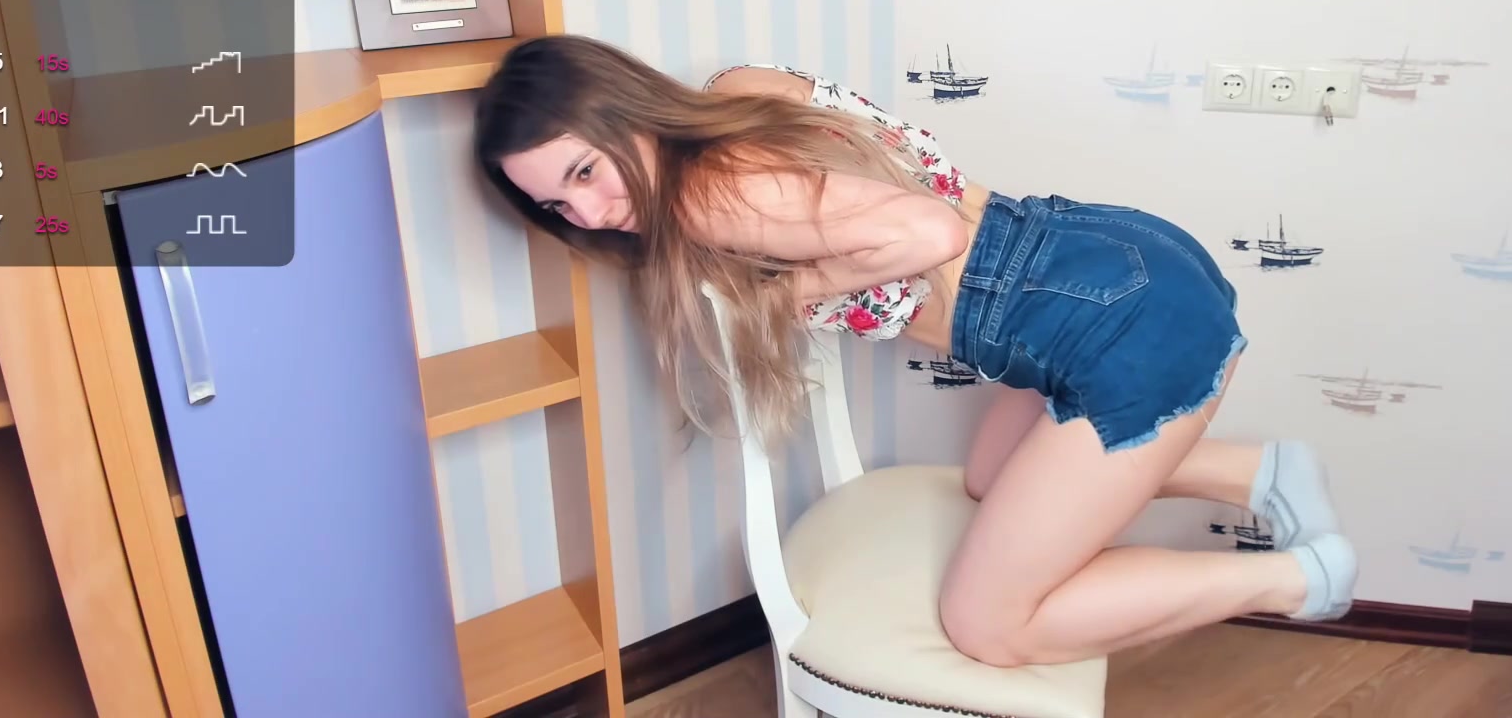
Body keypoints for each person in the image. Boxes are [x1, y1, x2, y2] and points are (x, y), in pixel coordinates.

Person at [473, 34, 1356, 670]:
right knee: (991, 479)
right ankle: (1262, 475)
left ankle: (1298, 580)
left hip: (1118, 326)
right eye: (557, 207)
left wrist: (788, 292)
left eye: (584, 172)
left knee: (990, 625)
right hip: (1105, 256)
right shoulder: (738, 89)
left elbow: (930, 232)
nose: (589, 216)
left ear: (625, 111)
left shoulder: (706, 197)